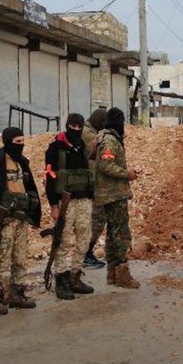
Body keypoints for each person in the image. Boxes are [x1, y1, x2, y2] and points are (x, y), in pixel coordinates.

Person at [0, 126, 42, 310]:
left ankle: (17, 293)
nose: (21, 146)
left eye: (23, 142)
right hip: (3, 220)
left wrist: (34, 214)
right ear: (8, 142)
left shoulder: (21, 162)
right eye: (17, 143)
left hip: (20, 219)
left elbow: (29, 188)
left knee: (20, 257)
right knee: (1, 258)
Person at [44, 113, 95, 300]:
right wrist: (53, 205)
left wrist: (92, 196)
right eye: (72, 126)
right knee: (63, 241)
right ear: (67, 125)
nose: (76, 130)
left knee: (84, 238)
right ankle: (62, 279)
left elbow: (87, 173)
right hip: (65, 202)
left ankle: (75, 275)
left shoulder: (81, 146)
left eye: (79, 126)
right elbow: (49, 178)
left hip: (83, 201)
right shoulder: (55, 148)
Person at [93, 107, 141, 289]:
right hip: (113, 194)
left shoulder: (104, 137)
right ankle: (122, 274)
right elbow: (106, 165)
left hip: (110, 193)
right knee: (121, 234)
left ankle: (112, 274)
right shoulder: (110, 140)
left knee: (113, 234)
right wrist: (126, 174)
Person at [82, 108, 107, 270]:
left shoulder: (89, 131)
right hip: (90, 184)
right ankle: (86, 253)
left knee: (97, 219)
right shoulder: (87, 133)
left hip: (93, 183)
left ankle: (86, 252)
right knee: (96, 219)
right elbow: (101, 149)